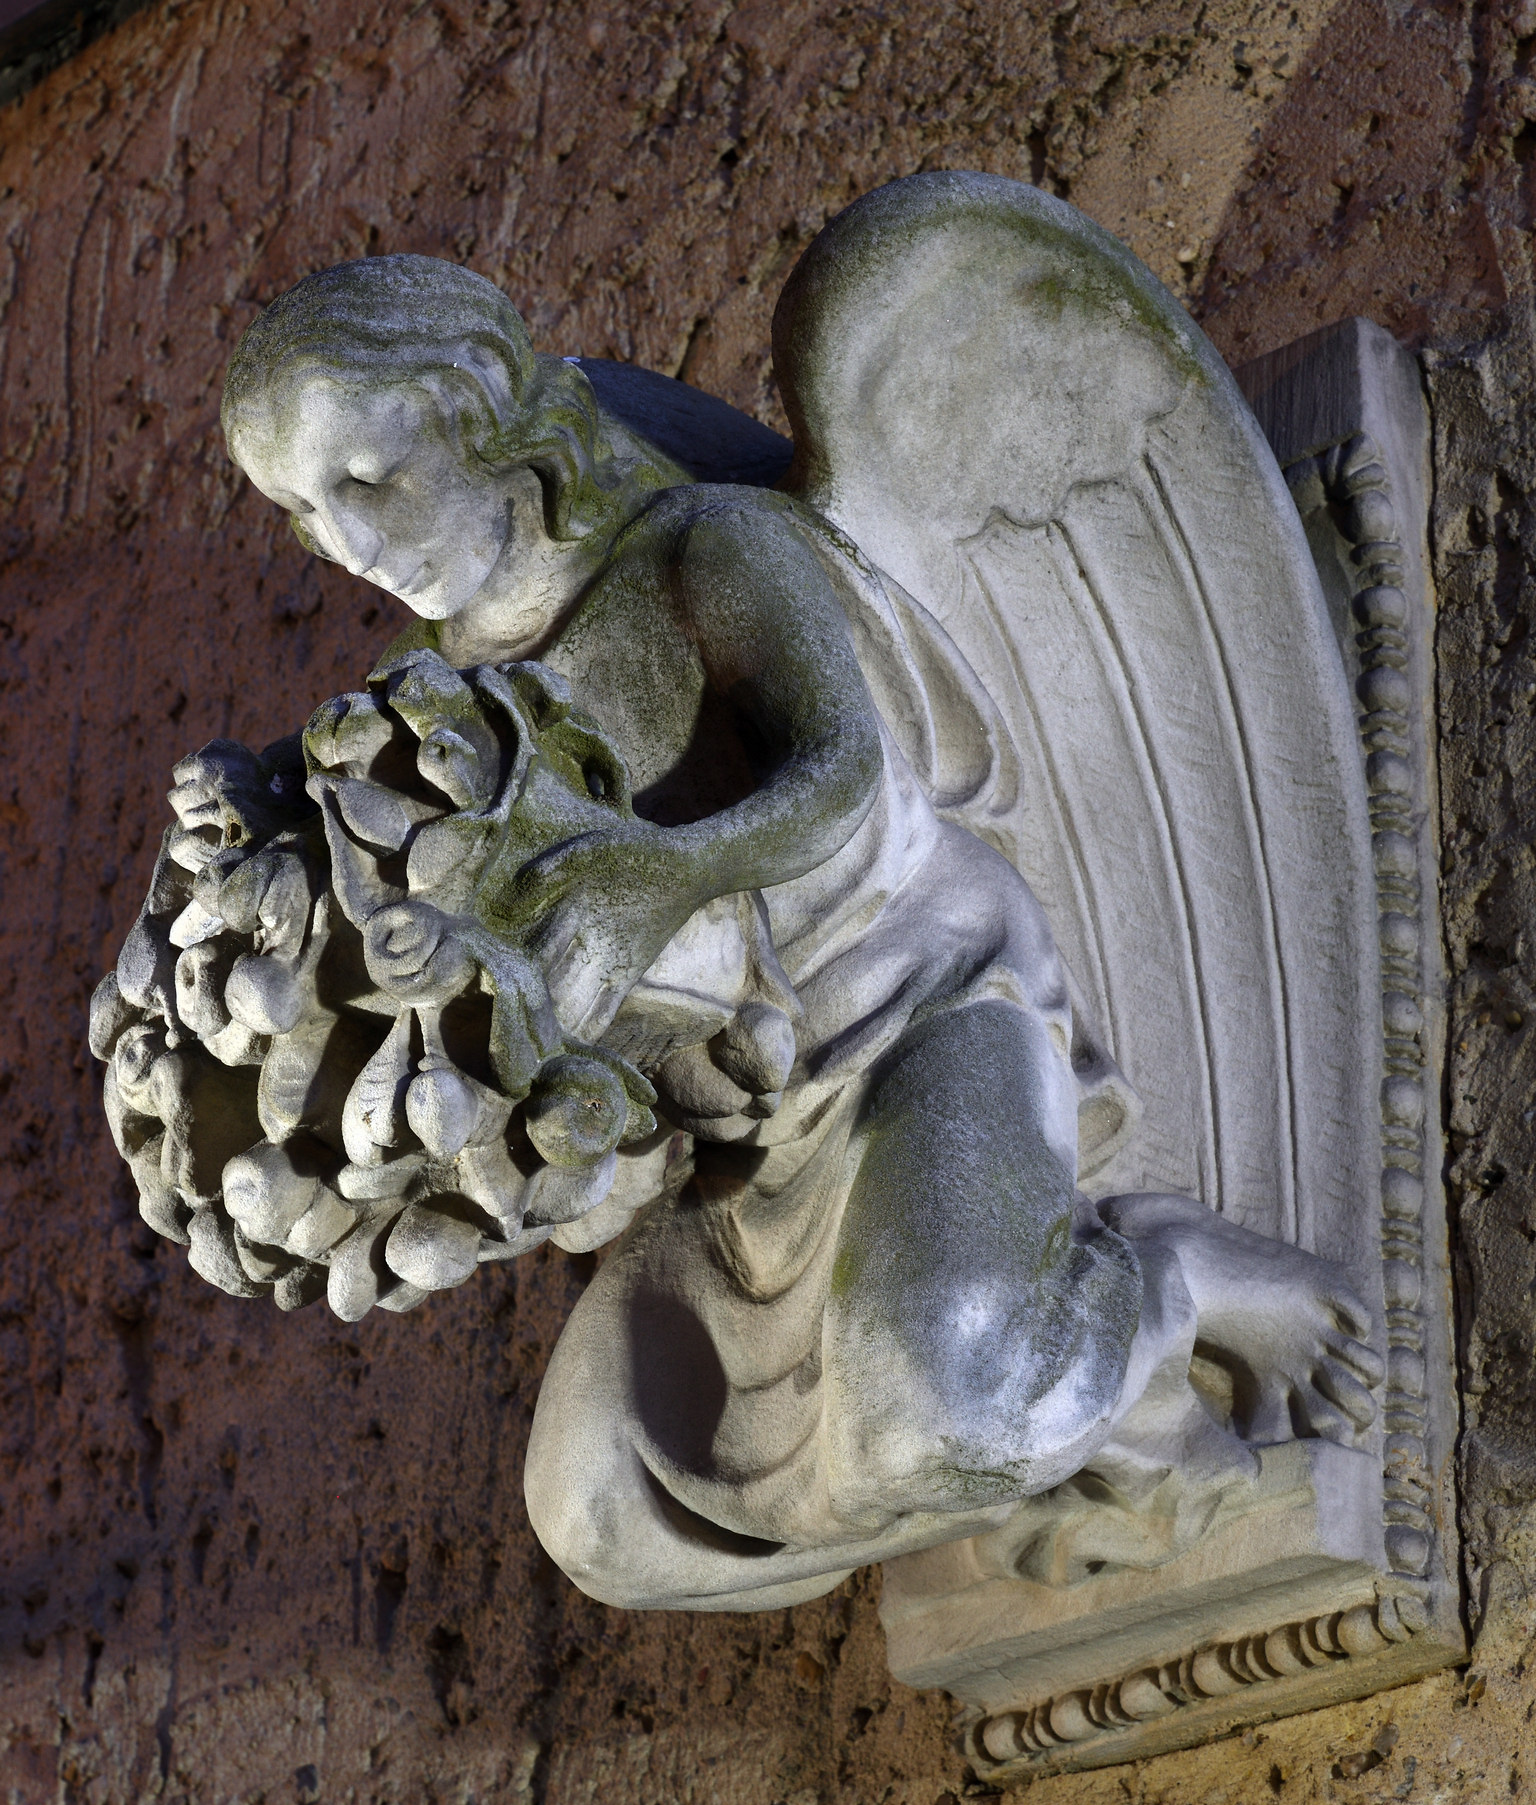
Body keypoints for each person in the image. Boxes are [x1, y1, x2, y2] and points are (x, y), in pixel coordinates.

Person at [222, 254, 1382, 1610]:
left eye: (367, 477)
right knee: (598, 1516)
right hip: (725, 1141)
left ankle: (1161, 1283)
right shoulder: (420, 704)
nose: (351, 542)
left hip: (909, 1013)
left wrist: (667, 875)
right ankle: (1063, 1417)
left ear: (475, 402)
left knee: (948, 1422)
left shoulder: (700, 551)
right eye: (302, 511)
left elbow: (837, 772)